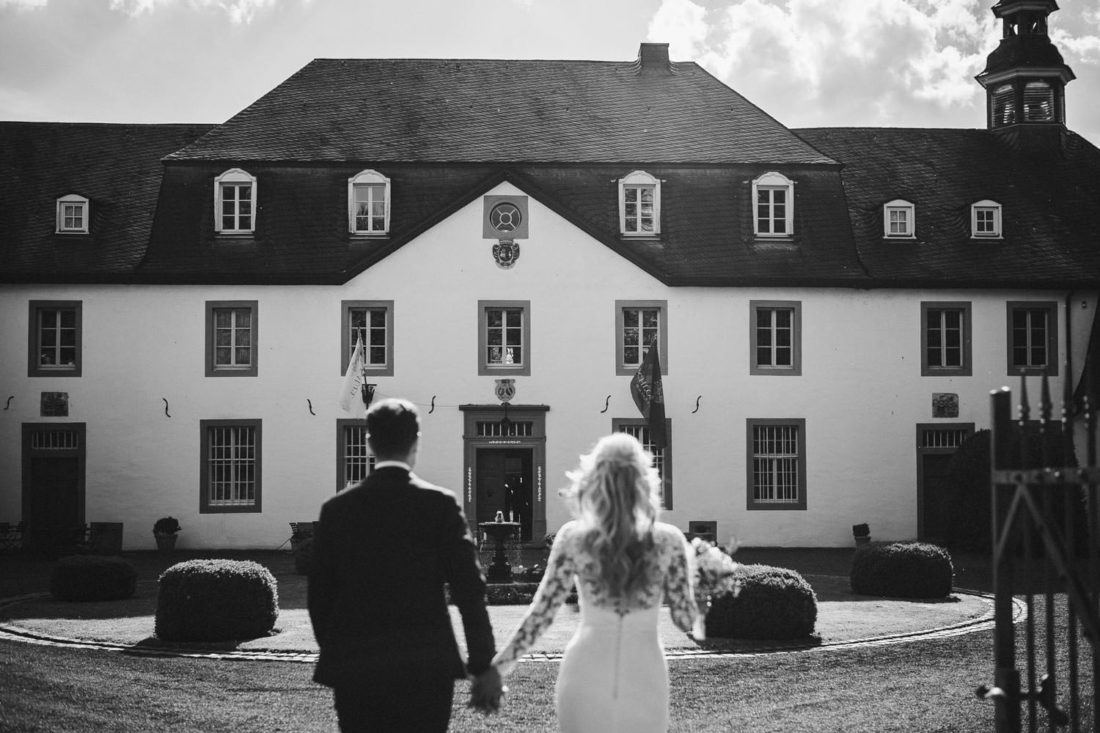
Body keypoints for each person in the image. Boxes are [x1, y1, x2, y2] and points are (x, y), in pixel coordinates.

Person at [308, 397, 503, 732]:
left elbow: (319, 599)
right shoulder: (439, 505)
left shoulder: (337, 510)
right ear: (416, 442)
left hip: (357, 669)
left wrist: (342, 650)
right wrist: (484, 663)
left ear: (369, 444)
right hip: (426, 666)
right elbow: (469, 591)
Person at [490, 432, 698, 732]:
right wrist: (700, 583)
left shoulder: (573, 537)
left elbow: (541, 615)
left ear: (594, 481)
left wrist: (499, 668)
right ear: (643, 482)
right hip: (645, 673)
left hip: (586, 667)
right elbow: (684, 619)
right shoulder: (669, 540)